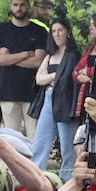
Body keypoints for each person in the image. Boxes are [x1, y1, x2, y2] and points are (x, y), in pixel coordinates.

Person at [0, 0, 48, 137]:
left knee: (34, 137)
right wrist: (26, 54)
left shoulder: (39, 31)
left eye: (22, 5)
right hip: (8, 92)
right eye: (15, 5)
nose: (19, 8)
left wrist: (8, 58)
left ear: (28, 6)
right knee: (11, 139)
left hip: (32, 93)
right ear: (11, 6)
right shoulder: (1, 30)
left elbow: (38, 62)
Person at [30, 18, 82, 174]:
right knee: (40, 142)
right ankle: (35, 176)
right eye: (53, 31)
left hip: (65, 100)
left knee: (68, 146)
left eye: (60, 30)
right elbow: (39, 79)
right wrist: (55, 76)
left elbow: (72, 80)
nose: (57, 34)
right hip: (49, 97)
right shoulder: (50, 55)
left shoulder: (73, 55)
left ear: (67, 32)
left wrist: (52, 77)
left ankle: (68, 180)